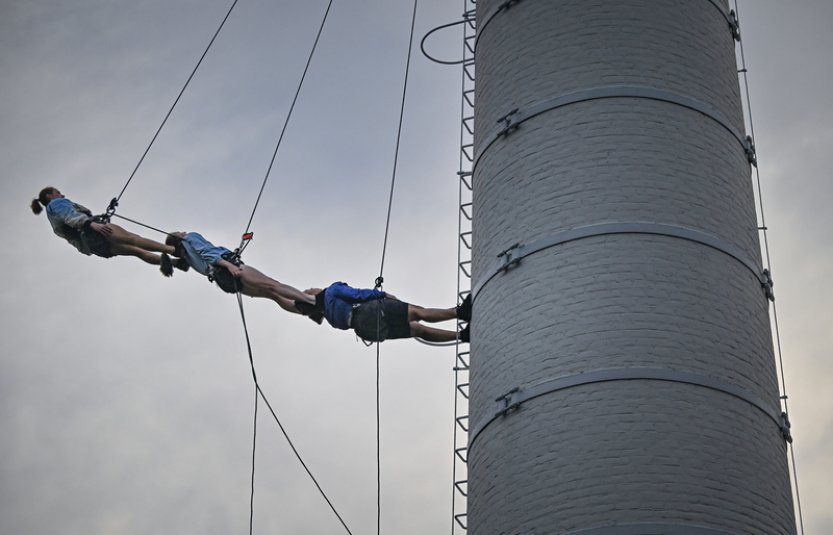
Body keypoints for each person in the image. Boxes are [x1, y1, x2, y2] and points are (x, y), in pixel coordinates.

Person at [31, 186, 185, 276]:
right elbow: (71, 217)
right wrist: (92, 224)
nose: (62, 194)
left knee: (137, 251)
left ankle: (177, 263)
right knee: (132, 238)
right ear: (49, 196)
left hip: (92, 245)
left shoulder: (51, 218)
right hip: (92, 231)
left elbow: (71, 225)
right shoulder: (57, 203)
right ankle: (174, 250)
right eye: (58, 192)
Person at [165, 231, 315, 312]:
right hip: (230, 268)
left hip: (224, 282)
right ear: (179, 238)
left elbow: (155, 258)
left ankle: (305, 310)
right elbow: (207, 252)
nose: (183, 231)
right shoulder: (190, 237)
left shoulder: (186, 259)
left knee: (272, 295)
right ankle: (312, 302)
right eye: (179, 232)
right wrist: (229, 266)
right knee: (273, 285)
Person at [295, 282, 471, 343]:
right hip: (370, 312)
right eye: (308, 290)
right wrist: (383, 294)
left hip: (368, 331)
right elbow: (357, 294)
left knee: (419, 330)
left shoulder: (331, 319)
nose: (310, 288)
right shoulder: (331, 291)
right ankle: (460, 312)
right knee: (418, 313)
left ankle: (462, 336)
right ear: (312, 295)